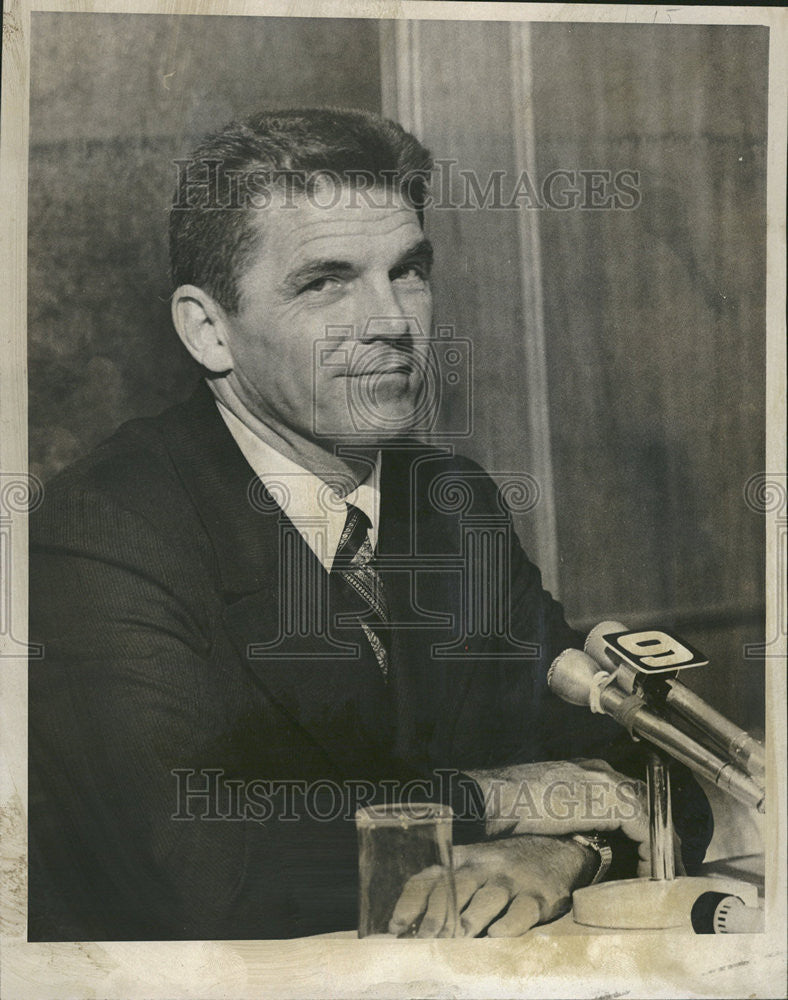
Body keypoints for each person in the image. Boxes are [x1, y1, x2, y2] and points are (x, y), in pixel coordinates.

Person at [28, 108, 712, 941]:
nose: (392, 322)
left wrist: (563, 853)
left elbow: (644, 769)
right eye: (327, 282)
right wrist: (498, 800)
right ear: (210, 331)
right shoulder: (104, 529)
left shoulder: (451, 503)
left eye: (409, 271)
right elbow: (200, 863)